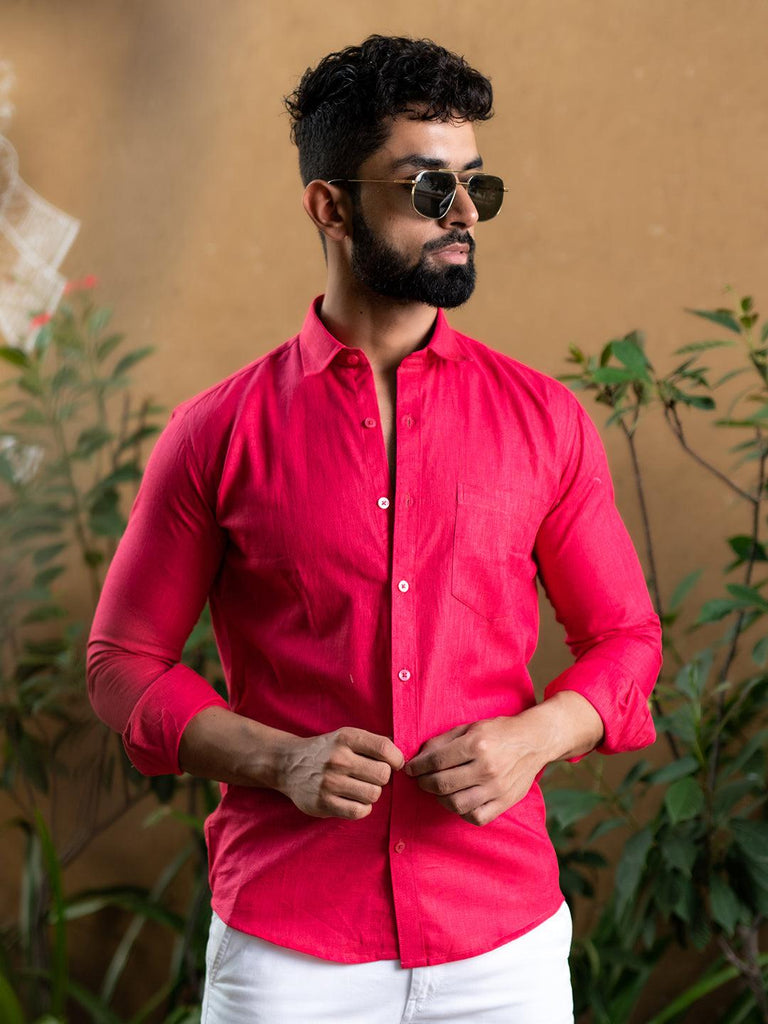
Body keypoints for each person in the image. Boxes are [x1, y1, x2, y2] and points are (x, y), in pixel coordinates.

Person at [87, 34, 662, 1024]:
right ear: (331, 205)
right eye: (429, 187)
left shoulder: (545, 421)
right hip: (290, 947)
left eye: (476, 185)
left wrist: (535, 737)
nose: (464, 213)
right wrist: (281, 761)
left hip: (502, 945)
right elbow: (122, 664)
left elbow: (627, 640)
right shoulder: (216, 432)